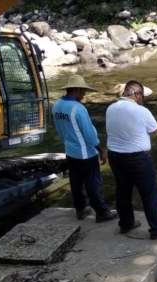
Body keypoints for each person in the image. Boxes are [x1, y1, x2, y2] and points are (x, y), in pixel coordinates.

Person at [106, 80, 157, 239]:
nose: (142, 98)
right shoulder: (141, 111)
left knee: (122, 191)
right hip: (137, 159)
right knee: (149, 193)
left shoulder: (111, 108)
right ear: (137, 94)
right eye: (142, 95)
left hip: (115, 157)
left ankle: (126, 224)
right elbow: (154, 130)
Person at [52, 75, 117, 223]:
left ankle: (80, 209)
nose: (84, 94)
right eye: (83, 91)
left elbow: (60, 130)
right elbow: (89, 134)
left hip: (70, 151)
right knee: (92, 183)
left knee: (76, 182)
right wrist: (101, 150)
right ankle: (101, 212)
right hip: (85, 153)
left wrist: (67, 144)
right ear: (76, 89)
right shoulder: (78, 109)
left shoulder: (56, 106)